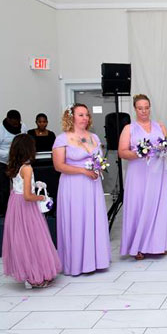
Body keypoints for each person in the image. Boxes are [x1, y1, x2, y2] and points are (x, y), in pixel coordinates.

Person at [52, 104, 111, 276]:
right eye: (80, 114)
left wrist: (98, 168)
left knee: (93, 219)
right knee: (77, 220)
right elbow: (58, 165)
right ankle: (76, 263)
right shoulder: (62, 139)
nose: (85, 118)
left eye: (86, 114)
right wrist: (83, 171)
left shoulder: (94, 137)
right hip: (73, 186)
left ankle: (96, 260)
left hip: (92, 186)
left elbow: (99, 159)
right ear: (71, 117)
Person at [118, 94, 167, 260]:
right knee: (139, 206)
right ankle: (137, 246)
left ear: (150, 108)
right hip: (138, 173)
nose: (144, 111)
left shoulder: (160, 126)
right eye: (140, 108)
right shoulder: (129, 129)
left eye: (146, 107)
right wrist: (140, 153)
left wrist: (165, 149)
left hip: (158, 173)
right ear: (135, 109)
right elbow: (122, 152)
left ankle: (158, 244)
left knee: (158, 206)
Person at [2, 134, 61, 289]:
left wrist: (35, 185)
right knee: (33, 239)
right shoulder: (27, 168)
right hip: (26, 207)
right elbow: (28, 196)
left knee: (22, 240)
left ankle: (30, 274)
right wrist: (41, 198)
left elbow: (17, 189)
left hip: (16, 204)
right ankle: (35, 277)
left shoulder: (14, 166)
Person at [0, 110, 27, 215]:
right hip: (0, 161)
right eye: (14, 123)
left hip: (16, 161)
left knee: (20, 186)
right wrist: (9, 154)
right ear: (8, 120)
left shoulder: (22, 127)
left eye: (18, 123)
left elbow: (24, 140)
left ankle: (21, 210)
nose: (17, 125)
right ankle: (4, 212)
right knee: (4, 187)